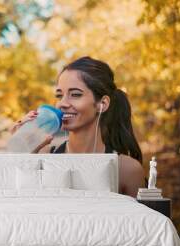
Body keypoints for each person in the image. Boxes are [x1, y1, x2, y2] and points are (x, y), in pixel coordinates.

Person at [9, 56, 145, 197]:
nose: (62, 103)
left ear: (102, 104)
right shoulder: (44, 157)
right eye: (59, 95)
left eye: (75, 94)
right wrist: (24, 156)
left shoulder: (126, 169)